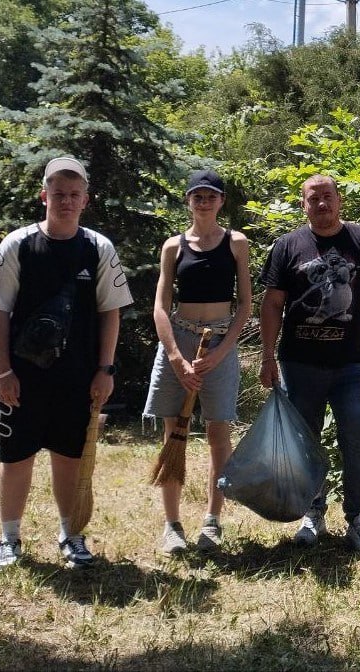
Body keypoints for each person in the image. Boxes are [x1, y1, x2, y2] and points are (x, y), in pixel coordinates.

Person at [0, 156, 133, 571]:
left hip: (78, 377)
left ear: (85, 200)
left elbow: (110, 312)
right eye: (58, 194)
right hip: (21, 378)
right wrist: (2, 371)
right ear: (44, 196)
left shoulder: (99, 248)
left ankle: (72, 535)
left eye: (74, 195)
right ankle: (9, 539)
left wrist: (105, 369)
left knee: (70, 457)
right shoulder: (18, 245)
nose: (65, 201)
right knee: (15, 457)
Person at [258, 174, 360, 555]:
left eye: (327, 196)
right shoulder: (288, 246)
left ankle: (358, 519)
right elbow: (271, 304)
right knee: (305, 442)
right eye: (313, 198)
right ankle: (311, 513)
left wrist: (358, 317)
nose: (322, 204)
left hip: (351, 364)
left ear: (339, 200)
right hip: (299, 364)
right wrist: (268, 357)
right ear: (303, 205)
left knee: (358, 439)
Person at [144, 169, 252, 555]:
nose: (204, 202)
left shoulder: (237, 243)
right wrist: (175, 356)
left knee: (218, 434)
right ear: (188, 200)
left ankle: (212, 521)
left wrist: (221, 352)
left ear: (221, 201)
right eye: (197, 196)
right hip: (180, 339)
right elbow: (159, 306)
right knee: (174, 433)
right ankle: (172, 525)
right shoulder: (173, 246)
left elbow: (245, 305)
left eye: (211, 196)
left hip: (219, 342)